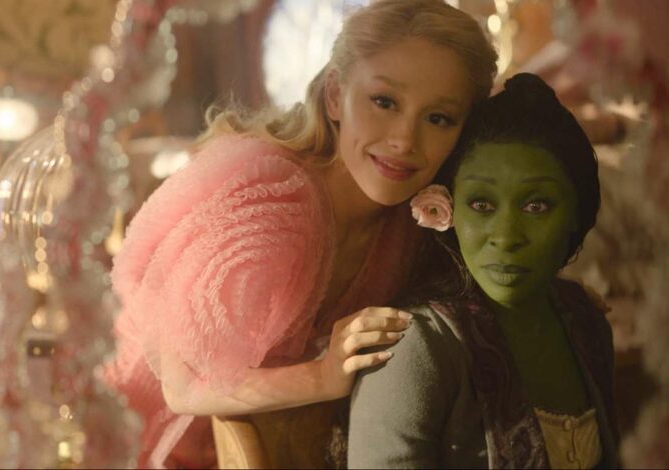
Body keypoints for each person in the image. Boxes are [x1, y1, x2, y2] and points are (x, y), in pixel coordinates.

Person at [105, 0, 497, 467]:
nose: (404, 140)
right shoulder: (275, 211)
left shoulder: (408, 223)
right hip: (137, 444)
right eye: (384, 102)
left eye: (438, 118)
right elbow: (183, 386)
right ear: (334, 96)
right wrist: (322, 375)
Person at [347, 73, 619, 469]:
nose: (506, 237)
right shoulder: (415, 349)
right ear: (446, 209)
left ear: (576, 212)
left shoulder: (586, 321)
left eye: (536, 206)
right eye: (481, 205)